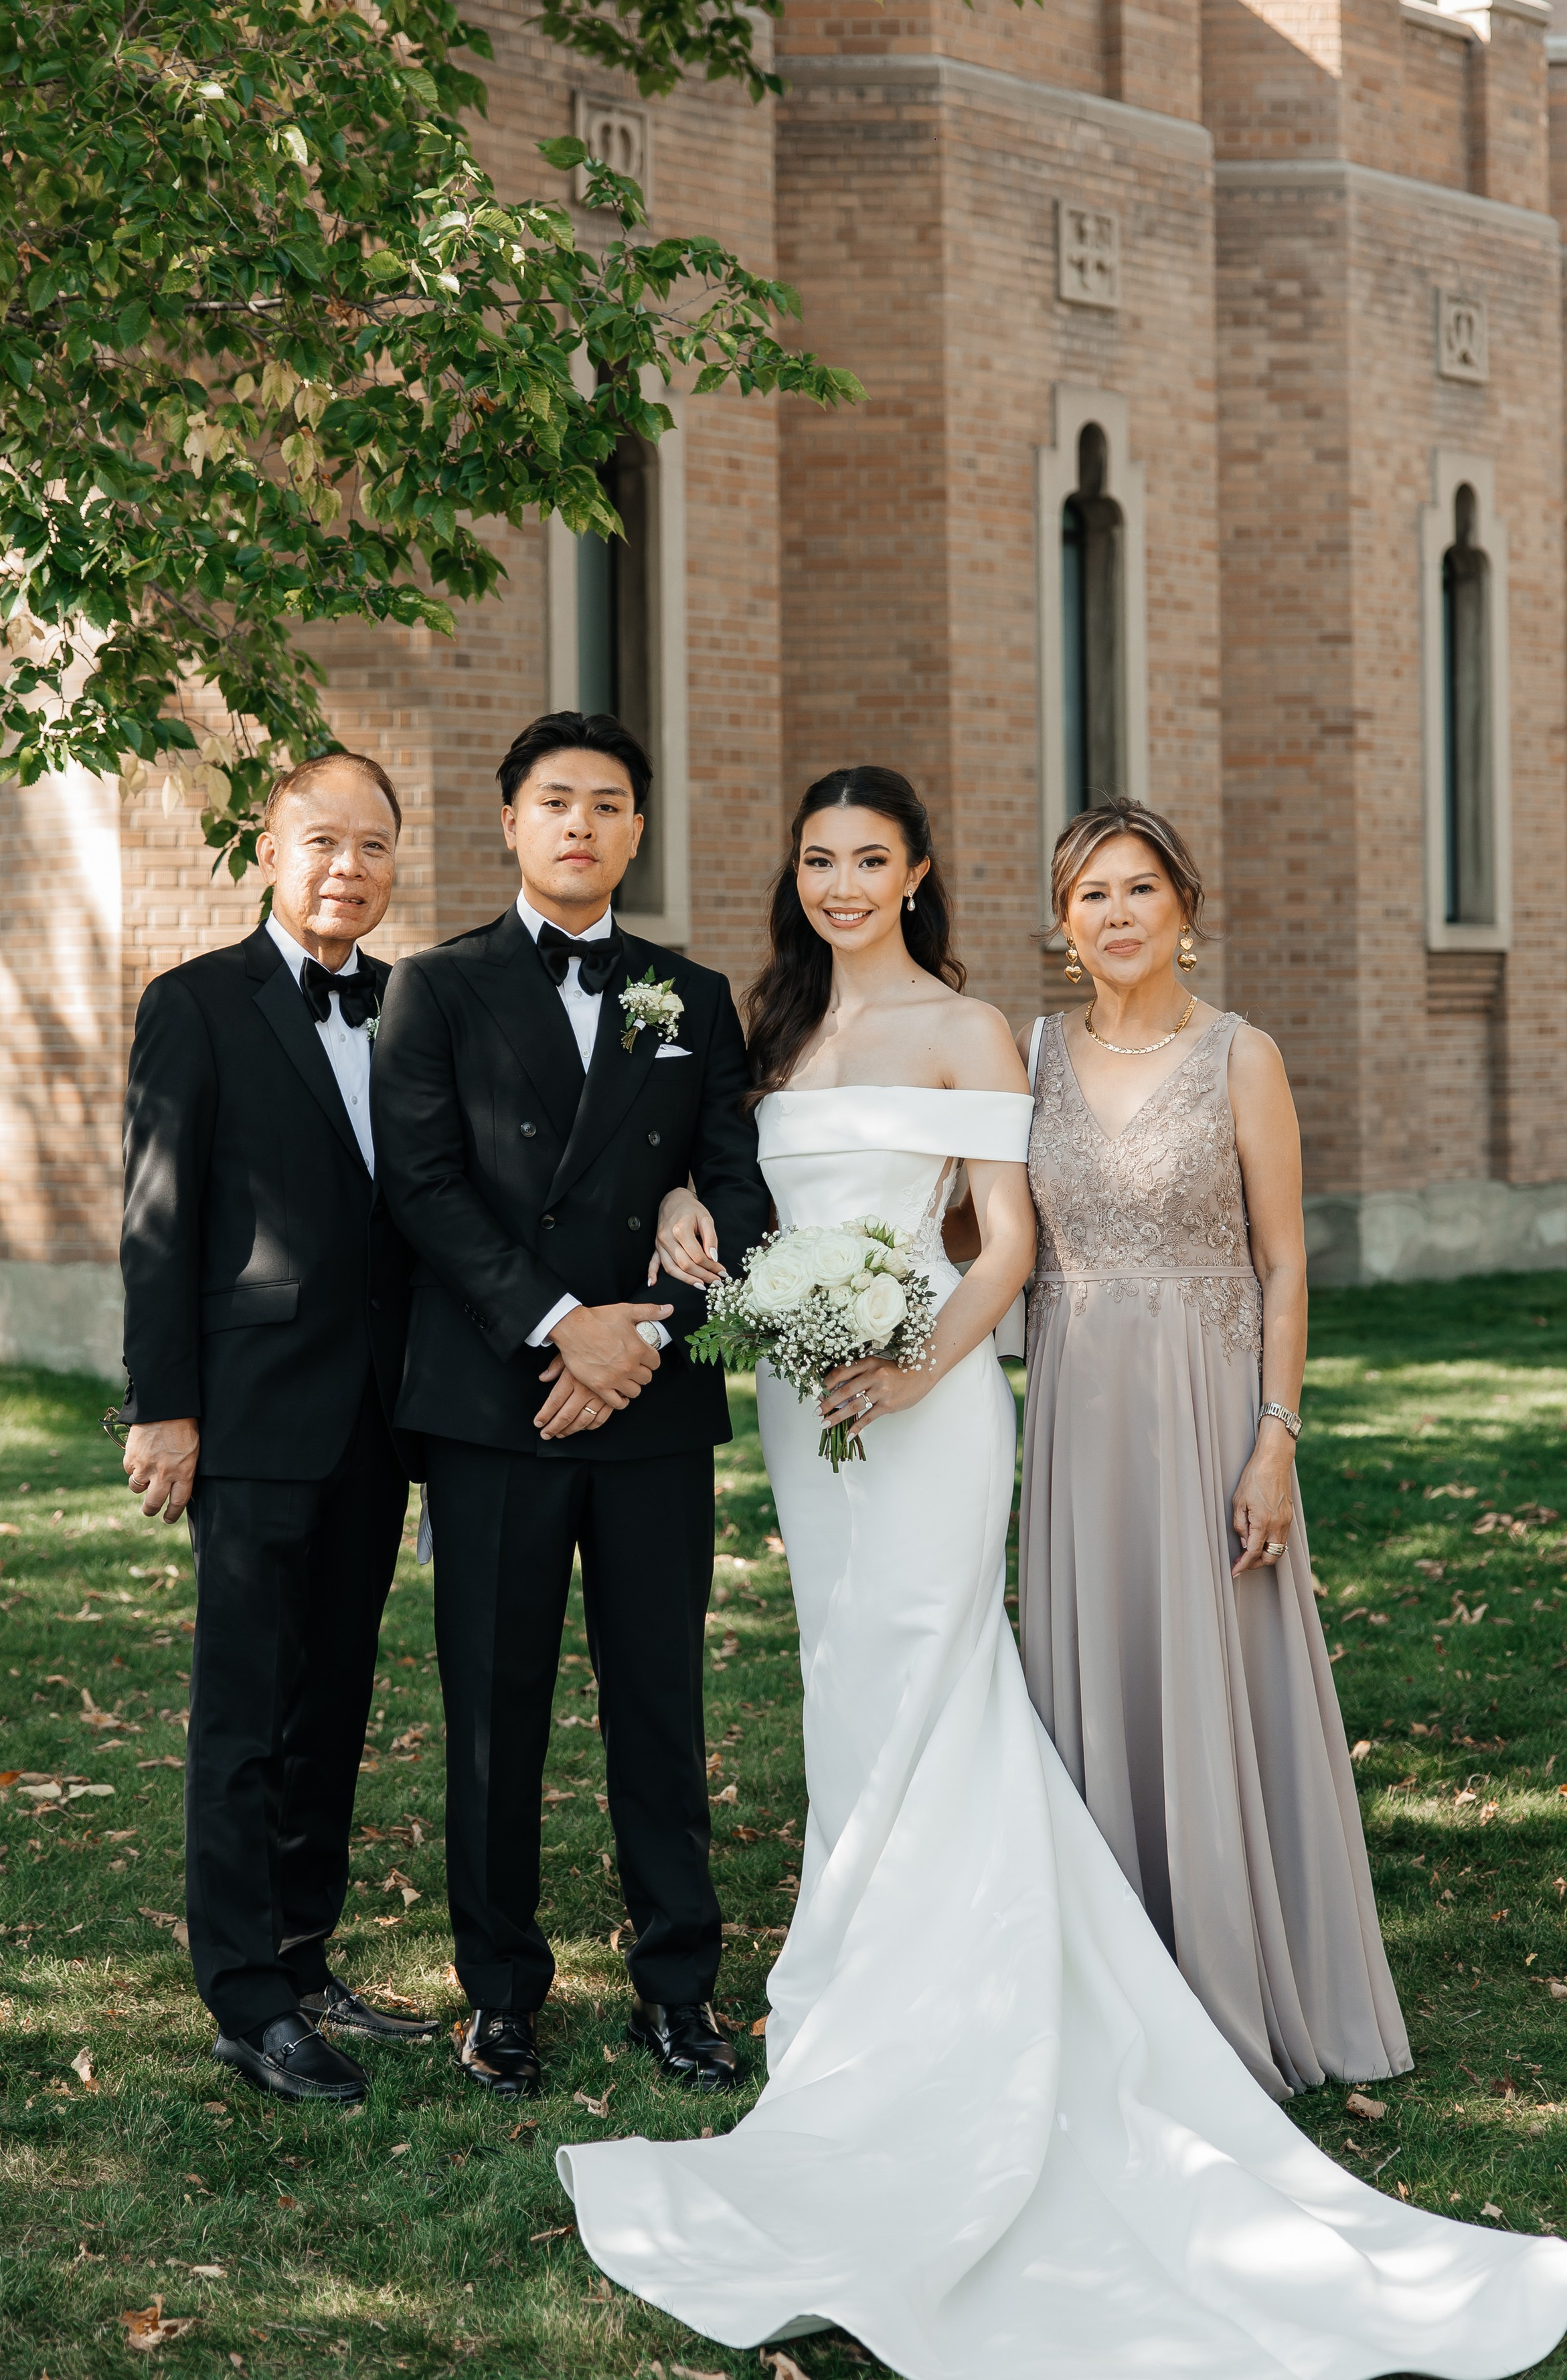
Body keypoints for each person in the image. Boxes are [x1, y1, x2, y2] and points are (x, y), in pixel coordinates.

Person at [555, 766, 1567, 2380]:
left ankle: (980, 2003)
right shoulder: (768, 1037)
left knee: (940, 1676)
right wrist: (687, 1198)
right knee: (845, 1688)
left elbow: (1001, 1241)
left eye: (867, 857)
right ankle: (852, 1978)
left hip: (923, 1398)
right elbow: (740, 1183)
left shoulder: (974, 1032)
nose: (837, 882)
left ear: (919, 871)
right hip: (801, 1410)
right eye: (815, 859)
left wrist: (911, 1370)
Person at [369, 709, 770, 2102]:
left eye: (607, 804)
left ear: (636, 832)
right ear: (510, 823)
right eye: (555, 801)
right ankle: (501, 1995)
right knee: (495, 1709)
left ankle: (678, 1989)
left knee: (659, 1703)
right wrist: (561, 1328)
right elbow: (420, 1188)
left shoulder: (693, 996)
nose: (580, 824)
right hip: (500, 1402)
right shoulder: (434, 988)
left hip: (648, 1406)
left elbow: (738, 1185)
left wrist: (646, 1330)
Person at [1015, 797, 1408, 2098]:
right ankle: (1111, 1990)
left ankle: (1240, 1979)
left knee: (1212, 1683)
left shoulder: (1241, 1054)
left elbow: (1284, 1261)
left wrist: (1273, 1442)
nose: (1115, 915)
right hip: (1076, 1412)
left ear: (1182, 907)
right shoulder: (1025, 1056)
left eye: (1137, 889)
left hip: (1204, 1408)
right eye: (1090, 896)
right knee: (1101, 1681)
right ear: (1061, 925)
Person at [119, 753, 435, 2104]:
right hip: (247, 1418)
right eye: (320, 841)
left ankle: (305, 1957)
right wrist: (164, 1406)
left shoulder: (412, 1008)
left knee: (335, 1702)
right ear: (267, 845)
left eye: (370, 846)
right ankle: (245, 2000)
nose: (345, 869)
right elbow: (156, 1222)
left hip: (378, 1416)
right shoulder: (196, 1005)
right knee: (243, 1714)